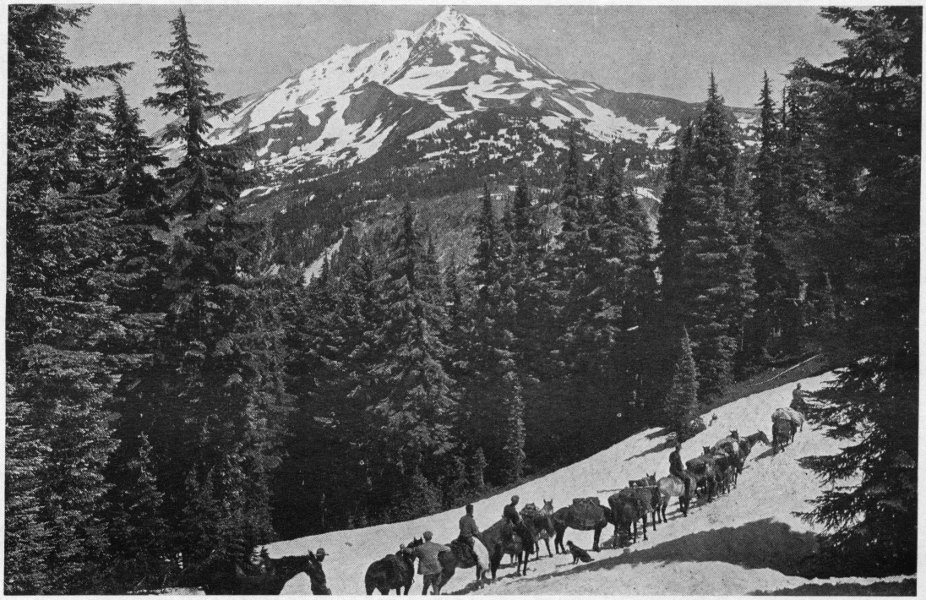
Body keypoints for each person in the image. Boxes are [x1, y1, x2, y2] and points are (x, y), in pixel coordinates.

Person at [458, 504, 485, 569]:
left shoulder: (462, 518)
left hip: (461, 537)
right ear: (471, 511)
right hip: (468, 538)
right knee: (479, 551)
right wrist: (478, 532)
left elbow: (460, 527)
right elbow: (475, 531)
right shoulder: (471, 520)